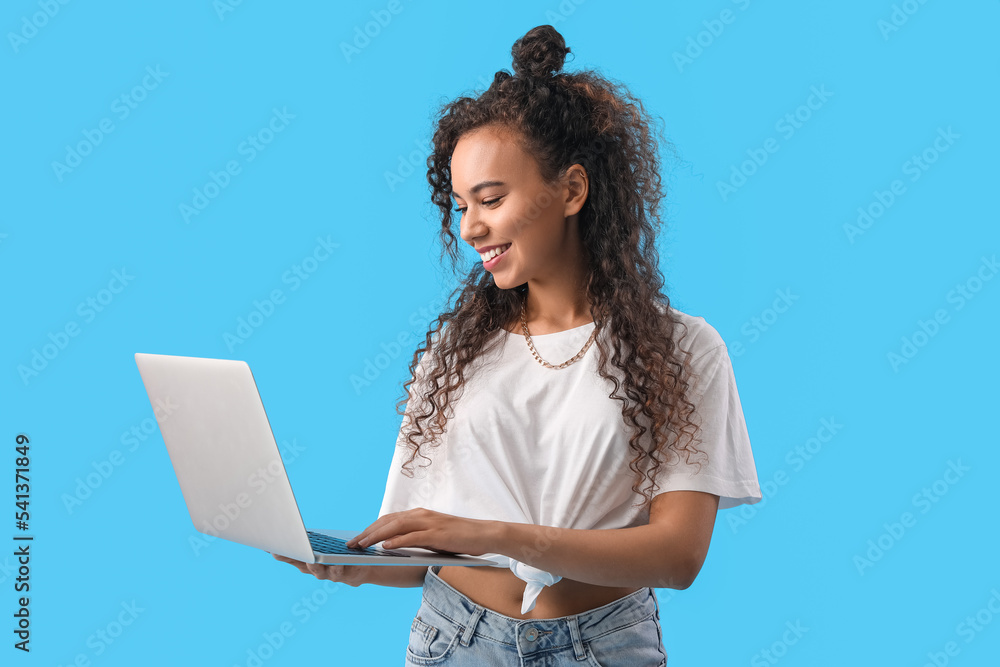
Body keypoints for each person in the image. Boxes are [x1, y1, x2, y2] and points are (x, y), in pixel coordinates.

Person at [274, 24, 762, 666]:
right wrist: (351, 564)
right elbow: (422, 551)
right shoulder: (455, 350)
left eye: (491, 199)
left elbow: (677, 557)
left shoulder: (681, 349)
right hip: (455, 640)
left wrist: (500, 537)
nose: (471, 227)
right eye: (458, 206)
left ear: (572, 190)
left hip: (602, 646)